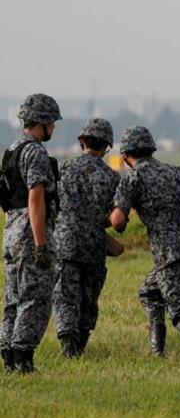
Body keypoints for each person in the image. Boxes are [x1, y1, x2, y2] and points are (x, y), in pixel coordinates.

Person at [109, 125, 180, 360]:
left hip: (168, 253)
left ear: (126, 156)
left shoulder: (133, 178)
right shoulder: (175, 172)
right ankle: (157, 351)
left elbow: (117, 220)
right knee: (149, 292)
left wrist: (114, 221)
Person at [1, 93, 62, 373]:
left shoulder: (12, 150)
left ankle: (9, 355)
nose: (53, 128)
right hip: (29, 231)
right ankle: (23, 358)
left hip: (12, 229)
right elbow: (36, 198)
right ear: (43, 122)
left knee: (13, 297)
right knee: (35, 297)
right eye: (52, 123)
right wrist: (40, 245)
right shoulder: (35, 152)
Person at [53, 118, 120, 358]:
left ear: (82, 141)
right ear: (107, 146)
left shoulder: (63, 169)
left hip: (64, 242)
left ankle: (68, 346)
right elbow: (116, 219)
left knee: (65, 295)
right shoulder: (113, 178)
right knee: (89, 296)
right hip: (94, 245)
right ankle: (79, 344)